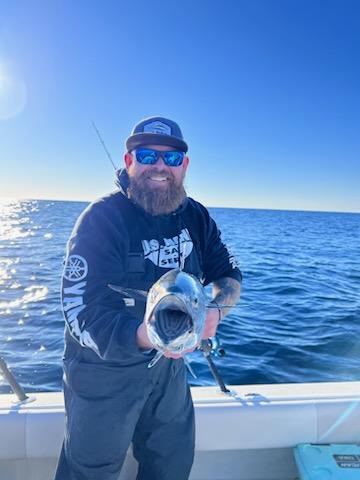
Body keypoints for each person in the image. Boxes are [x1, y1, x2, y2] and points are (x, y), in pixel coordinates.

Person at [54, 116, 242, 480]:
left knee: (171, 466)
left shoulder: (197, 217)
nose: (160, 166)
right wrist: (143, 335)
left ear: (184, 166)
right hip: (102, 369)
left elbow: (229, 274)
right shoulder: (101, 219)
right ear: (129, 162)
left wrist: (217, 310)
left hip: (170, 370)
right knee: (89, 472)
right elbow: (78, 310)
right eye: (147, 155)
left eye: (171, 159)